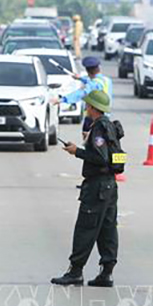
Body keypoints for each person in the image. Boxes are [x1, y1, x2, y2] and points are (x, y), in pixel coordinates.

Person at [51, 90, 119, 287]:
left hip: (97, 185)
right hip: (110, 185)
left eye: (88, 105)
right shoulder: (110, 126)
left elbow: (101, 157)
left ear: (92, 107)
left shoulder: (98, 128)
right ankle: (106, 273)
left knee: (86, 228)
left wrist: (77, 152)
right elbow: (115, 157)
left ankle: (75, 271)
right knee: (107, 230)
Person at [53, 56, 113, 137]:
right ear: (98, 68)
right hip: (105, 117)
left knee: (89, 142)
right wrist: (80, 78)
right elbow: (92, 81)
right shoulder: (106, 80)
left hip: (93, 117)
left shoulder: (92, 84)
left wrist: (61, 100)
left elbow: (81, 93)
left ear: (87, 71)